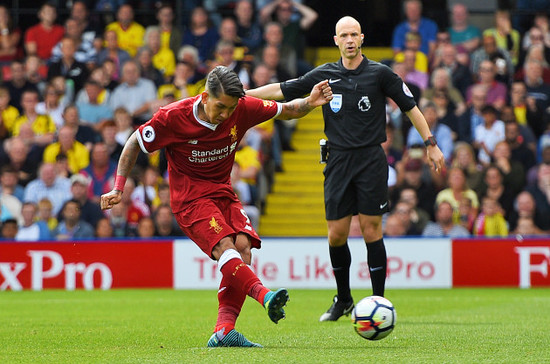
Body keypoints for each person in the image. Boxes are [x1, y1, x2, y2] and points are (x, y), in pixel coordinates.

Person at [100, 65, 333, 347]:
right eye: (220, 107)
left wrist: (310, 102)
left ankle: (224, 331)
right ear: (206, 96)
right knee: (226, 247)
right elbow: (134, 143)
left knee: (244, 246)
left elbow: (288, 110)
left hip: (223, 193)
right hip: (190, 199)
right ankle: (265, 295)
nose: (225, 114)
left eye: (231, 108)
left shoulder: (241, 108)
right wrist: (118, 187)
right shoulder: (173, 117)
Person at [246, 16, 445, 321]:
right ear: (336, 40)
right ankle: (345, 299)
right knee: (337, 234)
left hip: (370, 160)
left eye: (354, 34)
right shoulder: (325, 74)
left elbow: (410, 106)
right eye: (344, 35)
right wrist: (243, 96)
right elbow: (283, 90)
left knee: (371, 230)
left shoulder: (380, 73)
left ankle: (379, 301)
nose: (350, 40)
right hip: (338, 160)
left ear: (362, 38)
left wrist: (430, 142)